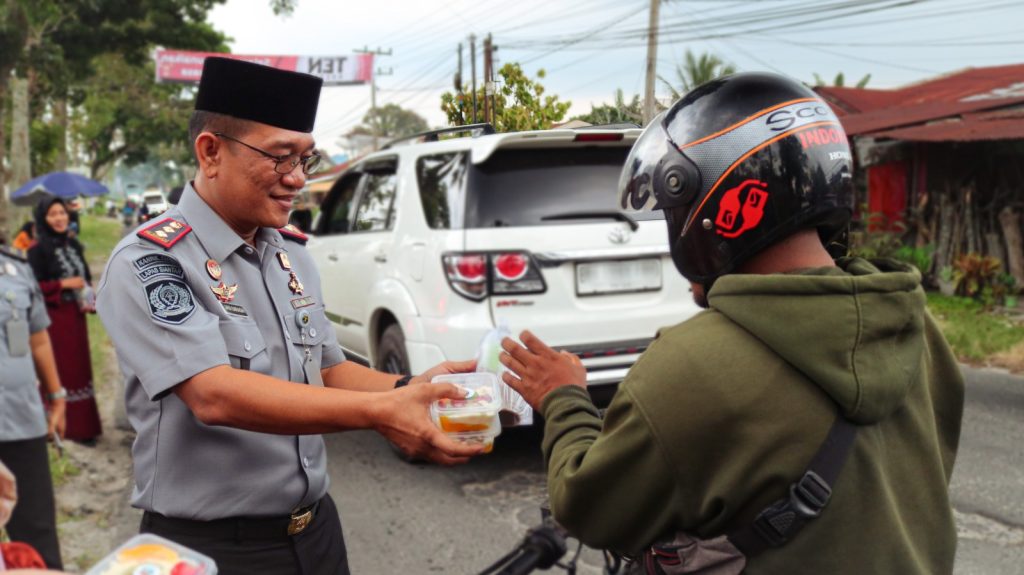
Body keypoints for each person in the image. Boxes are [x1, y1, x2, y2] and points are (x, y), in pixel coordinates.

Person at [499, 72, 964, 574]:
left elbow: (588, 512)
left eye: (674, 208)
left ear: (717, 204)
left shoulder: (692, 366)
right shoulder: (913, 325)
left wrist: (562, 398)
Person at [96, 56, 483, 575]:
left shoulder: (290, 253)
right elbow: (214, 394)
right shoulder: (152, 262)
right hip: (211, 550)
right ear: (211, 152)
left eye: (307, 159)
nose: (297, 179)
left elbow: (327, 369)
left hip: (316, 535)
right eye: (280, 158)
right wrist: (381, 416)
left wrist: (409, 390)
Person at [0, 243, 67, 570]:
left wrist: (57, 397)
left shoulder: (15, 268)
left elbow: (37, 338)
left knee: (37, 534)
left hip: (19, 419)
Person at [27, 196, 102, 446]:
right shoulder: (36, 251)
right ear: (43, 219)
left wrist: (90, 296)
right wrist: (63, 284)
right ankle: (60, 425)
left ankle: (83, 427)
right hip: (53, 319)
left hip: (76, 316)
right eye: (53, 214)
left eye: (62, 213)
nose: (59, 218)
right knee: (63, 370)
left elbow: (85, 277)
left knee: (80, 368)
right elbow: (33, 286)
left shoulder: (74, 245)